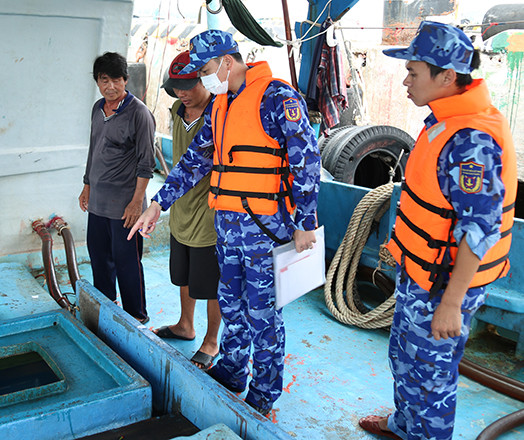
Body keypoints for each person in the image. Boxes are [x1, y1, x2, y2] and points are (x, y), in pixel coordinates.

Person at [128, 30, 320, 416]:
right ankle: (233, 369)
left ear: (227, 62)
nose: (204, 79)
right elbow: (195, 161)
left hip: (265, 230)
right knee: (231, 304)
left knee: (263, 313)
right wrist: (157, 205)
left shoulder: (277, 97)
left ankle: (264, 394)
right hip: (228, 228)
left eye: (207, 70)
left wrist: (306, 220)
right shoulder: (221, 104)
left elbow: (307, 161)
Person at [359, 21, 516, 440]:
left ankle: (424, 432)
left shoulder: (471, 141)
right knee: (405, 358)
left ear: (447, 76)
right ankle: (403, 425)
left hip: (445, 285)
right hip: (422, 274)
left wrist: (452, 302)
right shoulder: (445, 120)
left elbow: (479, 228)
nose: (406, 81)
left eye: (413, 73)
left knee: (431, 381)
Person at [153, 51, 222, 370]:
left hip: (209, 214)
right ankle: (185, 324)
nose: (182, 91)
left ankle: (211, 340)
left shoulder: (218, 113)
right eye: (176, 85)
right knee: (183, 275)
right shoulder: (178, 109)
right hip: (180, 209)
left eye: (189, 84)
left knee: (210, 283)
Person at [79, 52, 155, 324]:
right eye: (103, 80)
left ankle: (137, 318)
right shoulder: (98, 108)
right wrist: (86, 185)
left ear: (126, 79)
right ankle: (106, 310)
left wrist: (137, 203)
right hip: (98, 202)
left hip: (126, 206)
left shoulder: (139, 114)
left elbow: (147, 164)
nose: (109, 86)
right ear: (97, 82)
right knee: (99, 259)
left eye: (115, 80)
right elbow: (93, 149)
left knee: (128, 265)